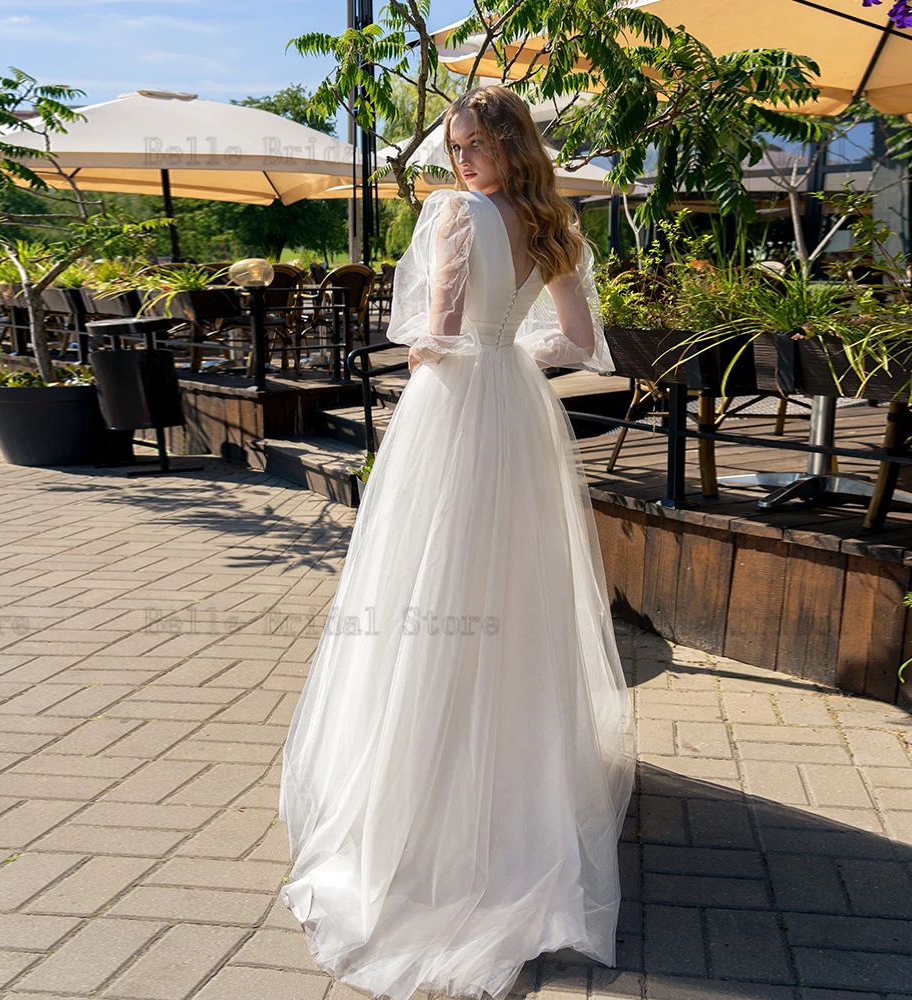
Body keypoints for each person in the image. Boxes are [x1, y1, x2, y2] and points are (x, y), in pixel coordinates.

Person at [277, 85, 636, 1000]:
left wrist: (453, 349)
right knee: (512, 588)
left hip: (455, 413)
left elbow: (430, 333)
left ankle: (421, 791)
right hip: (517, 411)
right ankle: (518, 779)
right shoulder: (555, 225)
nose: (462, 158)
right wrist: (511, 347)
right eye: (455, 144)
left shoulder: (453, 214)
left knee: (427, 583)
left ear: (509, 145)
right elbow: (583, 344)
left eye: (475, 142)